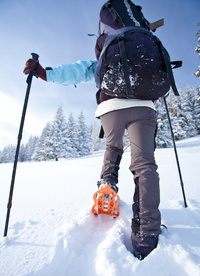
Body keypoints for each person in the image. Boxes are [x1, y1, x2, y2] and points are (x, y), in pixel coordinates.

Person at [23, 1, 162, 260]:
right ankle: (147, 233)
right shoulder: (144, 44)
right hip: (144, 106)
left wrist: (44, 73)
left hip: (111, 106)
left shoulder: (106, 54)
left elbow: (78, 71)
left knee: (113, 146)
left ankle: (107, 182)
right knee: (145, 165)